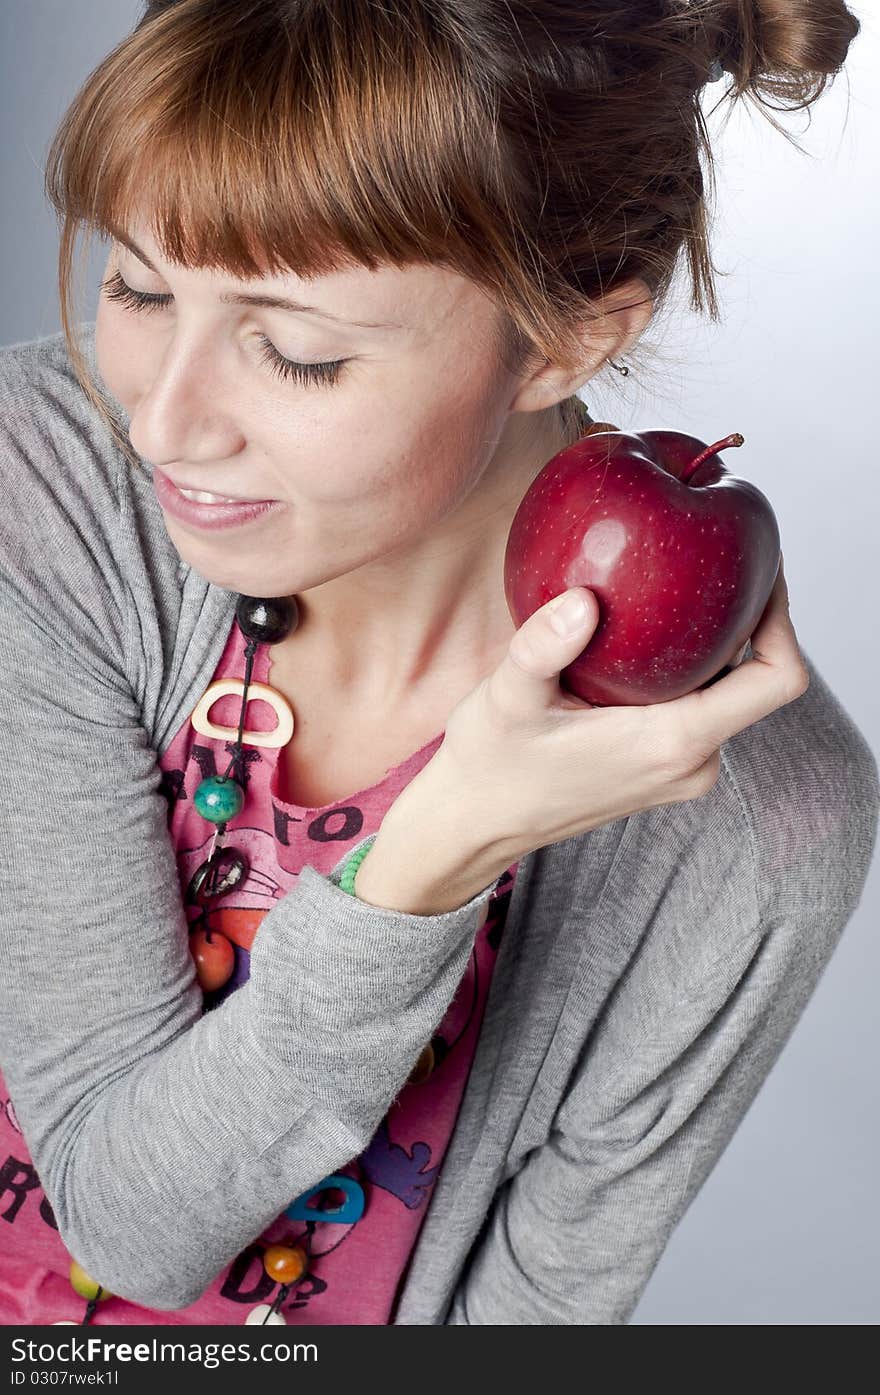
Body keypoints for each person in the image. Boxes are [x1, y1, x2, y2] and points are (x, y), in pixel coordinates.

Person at [0, 0, 876, 1327]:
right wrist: (424, 868)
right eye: (134, 287)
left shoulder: (763, 818)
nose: (162, 421)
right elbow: (125, 1217)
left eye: (297, 351)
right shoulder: (53, 492)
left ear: (574, 339)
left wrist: (440, 855)